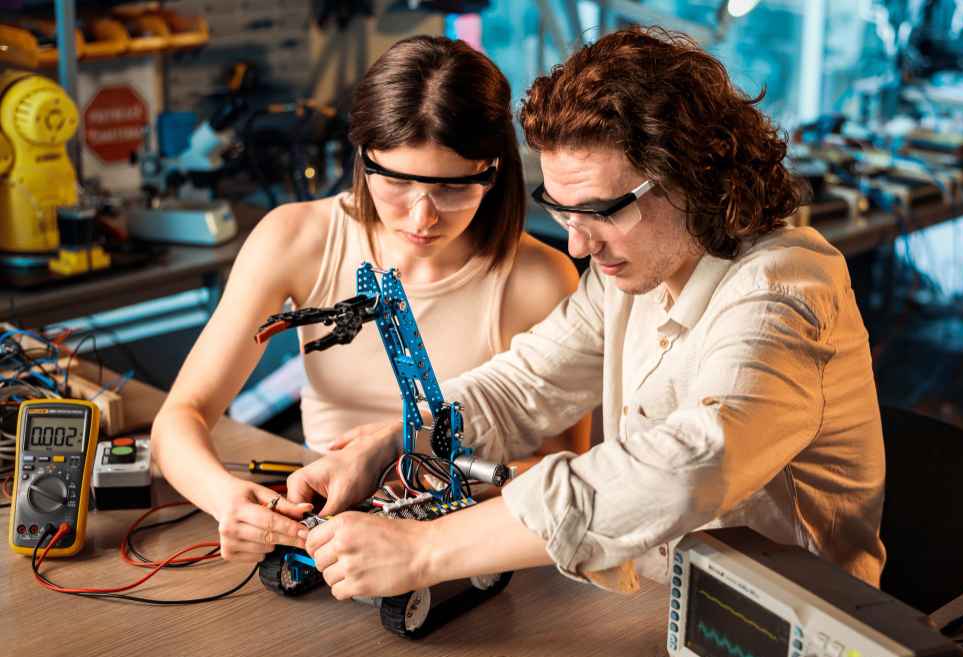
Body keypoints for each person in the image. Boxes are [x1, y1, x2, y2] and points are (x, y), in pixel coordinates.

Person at [294, 27, 886, 600]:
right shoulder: (630, 278)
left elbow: (691, 464)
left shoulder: (786, 288)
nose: (578, 245)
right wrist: (398, 439)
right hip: (651, 609)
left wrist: (424, 551)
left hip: (781, 628)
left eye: (601, 210)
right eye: (565, 212)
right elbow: (524, 384)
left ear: (694, 176)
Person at [150, 35, 585, 564]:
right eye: (398, 183)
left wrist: (416, 517)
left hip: (471, 544)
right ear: (364, 157)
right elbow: (180, 417)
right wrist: (226, 500)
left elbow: (564, 471)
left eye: (452, 189)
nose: (422, 217)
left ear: (492, 172)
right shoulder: (295, 238)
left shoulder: (540, 278)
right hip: (329, 529)